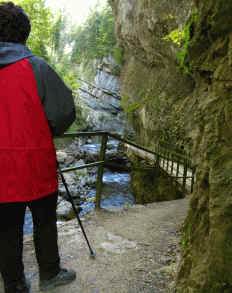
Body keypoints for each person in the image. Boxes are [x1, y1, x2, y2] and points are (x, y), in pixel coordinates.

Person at [0, 2, 77, 292]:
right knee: (44, 221)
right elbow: (63, 112)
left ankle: (15, 285)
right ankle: (50, 274)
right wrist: (46, 130)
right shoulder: (36, 68)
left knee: (6, 229)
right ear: (24, 34)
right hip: (35, 161)